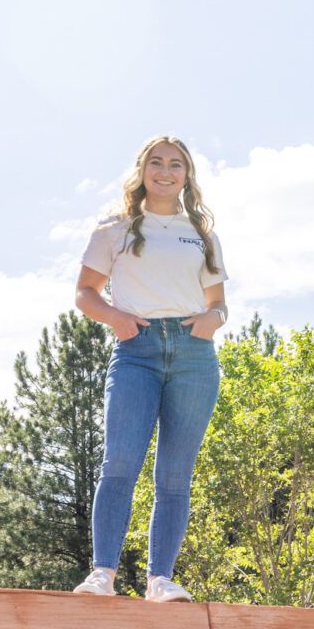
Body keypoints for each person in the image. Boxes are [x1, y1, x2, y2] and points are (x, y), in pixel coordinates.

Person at [70, 135, 228, 601]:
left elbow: (219, 304)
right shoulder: (115, 229)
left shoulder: (201, 234)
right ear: (142, 171)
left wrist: (210, 321)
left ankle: (161, 579)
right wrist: (116, 319)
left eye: (175, 164)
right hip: (136, 352)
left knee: (175, 474)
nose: (165, 171)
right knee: (119, 463)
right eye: (156, 163)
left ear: (187, 174)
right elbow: (85, 292)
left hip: (193, 357)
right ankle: (103, 574)